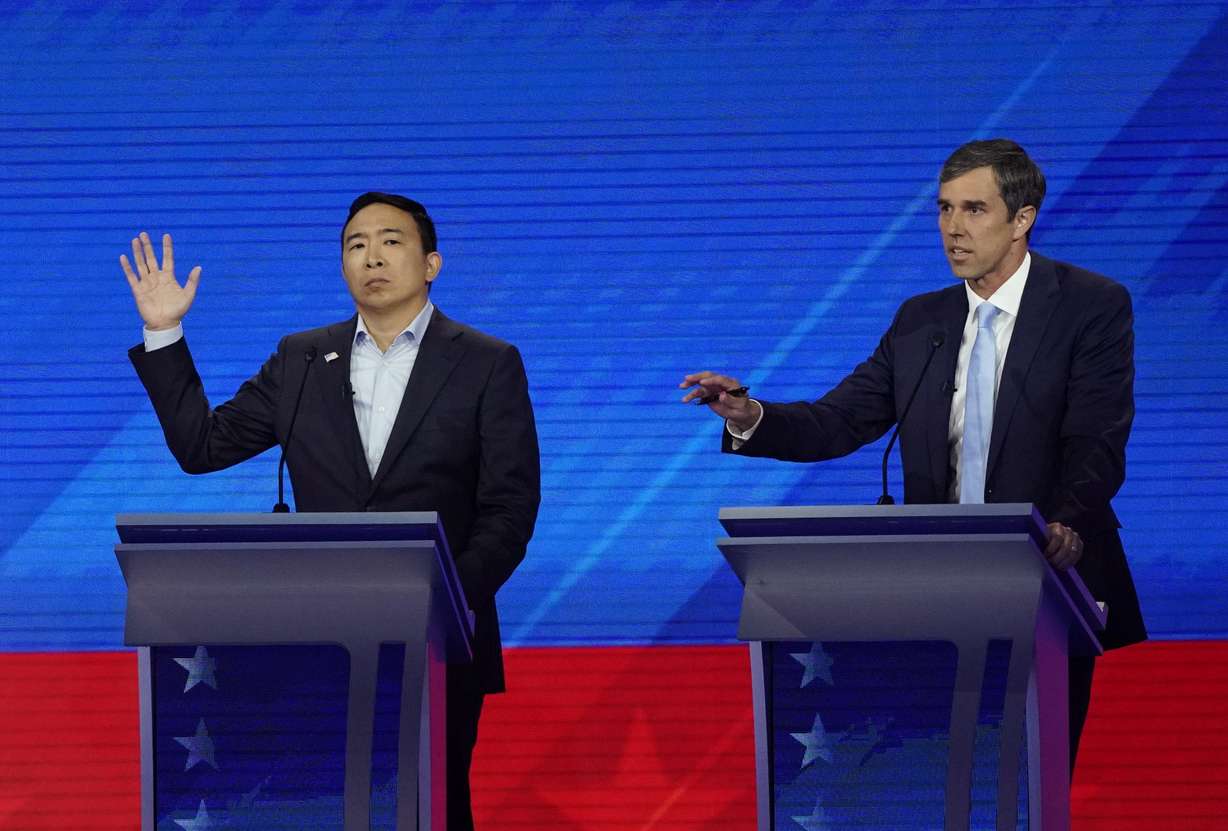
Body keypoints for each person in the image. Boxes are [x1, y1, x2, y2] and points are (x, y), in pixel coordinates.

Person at [680, 139, 1146, 770]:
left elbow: (1097, 438)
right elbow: (840, 420)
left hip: (1047, 582)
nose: (954, 228)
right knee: (943, 781)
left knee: (1032, 782)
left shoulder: (1089, 304)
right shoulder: (921, 321)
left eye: (975, 209)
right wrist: (750, 415)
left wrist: (1064, 522)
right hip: (939, 589)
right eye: (944, 209)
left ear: (1022, 219)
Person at [122, 192, 541, 830]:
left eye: (391, 241)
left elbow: (509, 508)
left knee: (432, 807)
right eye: (356, 245)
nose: (372, 256)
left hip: (440, 646)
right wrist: (164, 333)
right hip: (321, 643)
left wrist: (445, 603)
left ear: (431, 263)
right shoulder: (302, 359)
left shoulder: (486, 361)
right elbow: (202, 447)